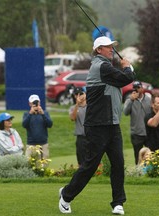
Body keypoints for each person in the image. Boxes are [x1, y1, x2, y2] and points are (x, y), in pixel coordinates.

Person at [59, 36, 135, 215]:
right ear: (98, 50)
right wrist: (128, 67)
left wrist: (125, 69)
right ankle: (66, 197)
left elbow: (122, 79)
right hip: (97, 125)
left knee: (118, 163)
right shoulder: (101, 66)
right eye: (107, 47)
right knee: (90, 165)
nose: (111, 49)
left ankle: (118, 203)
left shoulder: (106, 68)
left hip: (112, 124)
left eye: (111, 46)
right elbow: (127, 78)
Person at [123, 80, 151, 165]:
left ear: (142, 88)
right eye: (135, 88)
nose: (137, 90)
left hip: (148, 132)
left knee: (150, 155)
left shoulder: (148, 99)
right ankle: (138, 173)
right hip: (136, 133)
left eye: (138, 88)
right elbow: (125, 112)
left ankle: (150, 172)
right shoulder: (129, 100)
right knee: (137, 156)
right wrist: (131, 100)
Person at [22, 94, 53, 159]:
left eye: (37, 102)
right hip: (31, 144)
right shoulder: (26, 114)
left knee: (44, 164)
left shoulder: (44, 113)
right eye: (33, 103)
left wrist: (43, 114)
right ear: (30, 104)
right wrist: (30, 114)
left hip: (43, 143)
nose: (35, 105)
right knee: (30, 163)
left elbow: (50, 124)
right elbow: (24, 125)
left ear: (39, 103)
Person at [69, 87, 88, 166]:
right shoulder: (73, 108)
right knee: (81, 161)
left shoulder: (91, 106)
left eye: (81, 94)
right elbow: (73, 118)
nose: (78, 96)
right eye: (76, 94)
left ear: (85, 94)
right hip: (80, 138)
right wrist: (77, 104)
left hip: (91, 136)